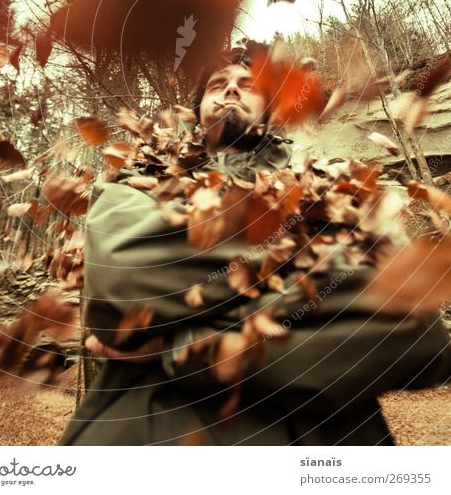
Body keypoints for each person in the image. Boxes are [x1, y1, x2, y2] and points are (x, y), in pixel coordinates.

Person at [59, 48, 451, 446]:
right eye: (217, 84)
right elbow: (124, 279)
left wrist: (183, 346)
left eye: (247, 86)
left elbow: (415, 331)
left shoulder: (334, 188)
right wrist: (312, 254)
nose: (231, 88)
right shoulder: (136, 182)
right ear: (196, 113)